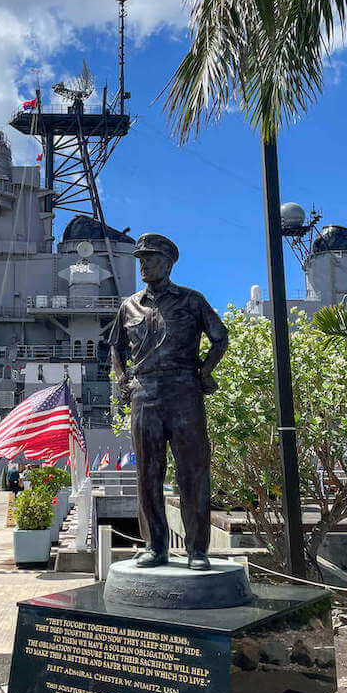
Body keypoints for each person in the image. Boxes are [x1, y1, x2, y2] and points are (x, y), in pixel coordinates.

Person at [109, 233, 228, 571]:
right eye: (141, 259)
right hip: (145, 395)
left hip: (185, 393)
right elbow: (115, 347)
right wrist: (124, 379)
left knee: (194, 472)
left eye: (150, 258)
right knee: (147, 474)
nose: (143, 264)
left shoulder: (192, 301)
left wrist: (204, 372)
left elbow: (220, 337)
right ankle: (155, 547)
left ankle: (197, 551)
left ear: (168, 263)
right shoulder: (129, 306)